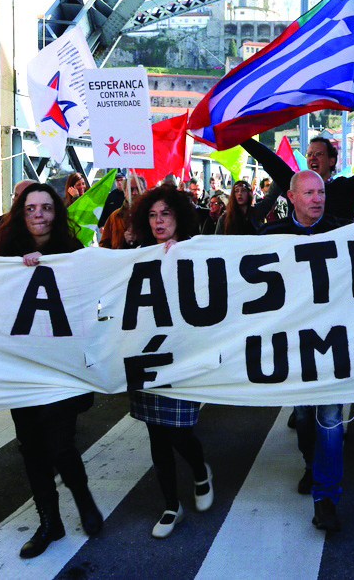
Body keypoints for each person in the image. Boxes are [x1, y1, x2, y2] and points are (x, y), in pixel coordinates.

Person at [0, 183, 104, 557]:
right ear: (22, 213)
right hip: (22, 368)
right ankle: (49, 521)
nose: (38, 214)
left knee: (60, 445)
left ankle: (83, 500)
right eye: (31, 208)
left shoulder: (73, 253)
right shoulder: (3, 254)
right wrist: (14, 273)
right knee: (32, 449)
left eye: (46, 207)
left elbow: (93, 298)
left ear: (57, 211)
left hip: (61, 369)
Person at [125, 186, 214, 538]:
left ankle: (200, 470)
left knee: (179, 431)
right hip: (147, 355)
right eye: (152, 214)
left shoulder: (196, 250)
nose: (158, 221)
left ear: (179, 215)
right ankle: (170, 506)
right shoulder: (135, 254)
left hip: (181, 355)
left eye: (166, 214)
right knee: (156, 435)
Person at [261, 170, 345, 532]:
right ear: (291, 198)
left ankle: (326, 496)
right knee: (306, 418)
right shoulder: (270, 236)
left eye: (321, 192)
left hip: (333, 341)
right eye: (309, 192)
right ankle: (312, 466)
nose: (317, 198)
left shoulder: (346, 230)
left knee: (330, 418)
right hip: (293, 344)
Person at [240, 115, 354, 222]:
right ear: (292, 196)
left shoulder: (345, 188)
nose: (312, 158)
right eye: (309, 155)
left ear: (332, 161)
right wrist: (238, 135)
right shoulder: (294, 184)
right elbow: (270, 160)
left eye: (318, 154)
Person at [216, 179, 282, 235]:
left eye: (243, 190)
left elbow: (272, 195)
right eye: (237, 191)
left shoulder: (258, 211)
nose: (240, 193)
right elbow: (218, 242)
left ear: (249, 194)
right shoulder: (224, 218)